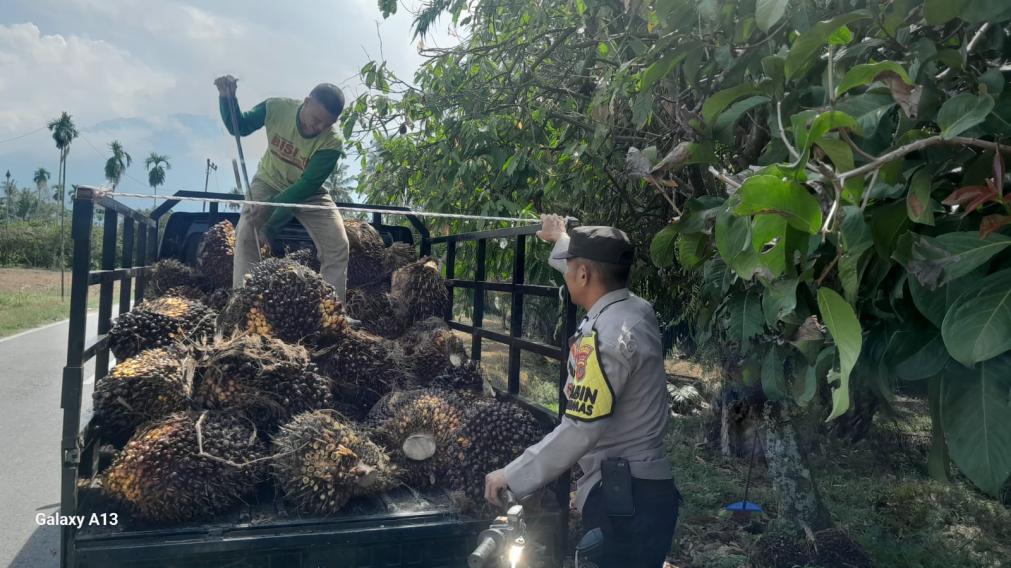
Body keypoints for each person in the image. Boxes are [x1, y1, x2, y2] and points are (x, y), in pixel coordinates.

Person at [484, 215, 679, 568]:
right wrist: (560, 238)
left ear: (585, 275)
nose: (568, 274)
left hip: (624, 506)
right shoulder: (634, 310)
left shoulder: (605, 340)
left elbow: (580, 428)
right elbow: (584, 271)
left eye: (571, 268)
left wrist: (512, 475)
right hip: (645, 495)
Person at [214, 75, 351, 301]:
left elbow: (305, 186)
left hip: (309, 192)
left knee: (338, 244)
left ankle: (333, 311)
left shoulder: (332, 142)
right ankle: (243, 303)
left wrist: (270, 224)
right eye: (315, 119)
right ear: (305, 102)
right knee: (247, 229)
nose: (318, 127)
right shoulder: (276, 108)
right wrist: (227, 99)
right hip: (269, 180)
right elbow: (240, 126)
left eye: (326, 124)